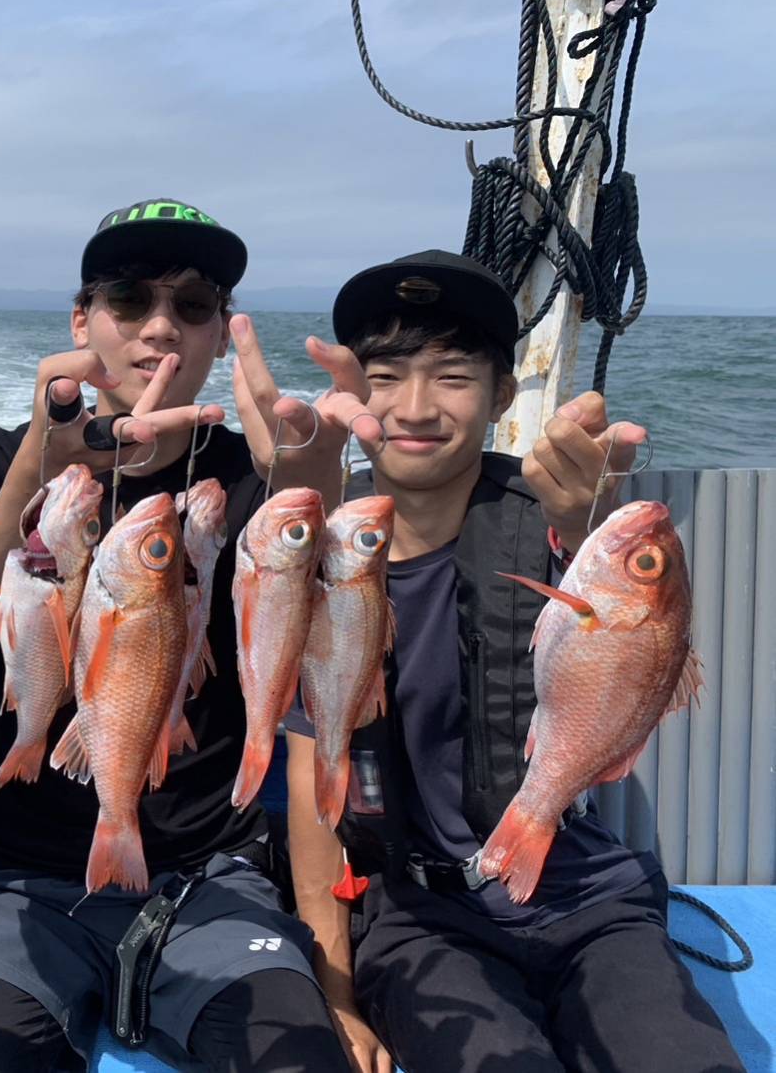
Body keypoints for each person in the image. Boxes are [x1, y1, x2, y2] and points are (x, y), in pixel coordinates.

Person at [242, 248, 744, 1072]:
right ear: (355, 394)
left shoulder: (556, 527)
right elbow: (313, 789)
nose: (414, 406)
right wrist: (332, 989)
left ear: (502, 395)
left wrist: (591, 524)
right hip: (420, 918)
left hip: (590, 903)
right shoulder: (316, 561)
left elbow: (640, 641)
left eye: (451, 376)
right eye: (387, 374)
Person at [0, 199, 351, 1073]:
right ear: (84, 323)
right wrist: (37, 474)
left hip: (208, 880)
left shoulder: (251, 482)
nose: (161, 327)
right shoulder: (2, 459)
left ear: (220, 338)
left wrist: (312, 483)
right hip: (10, 881)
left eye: (192, 307)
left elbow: (322, 645)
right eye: (129, 299)